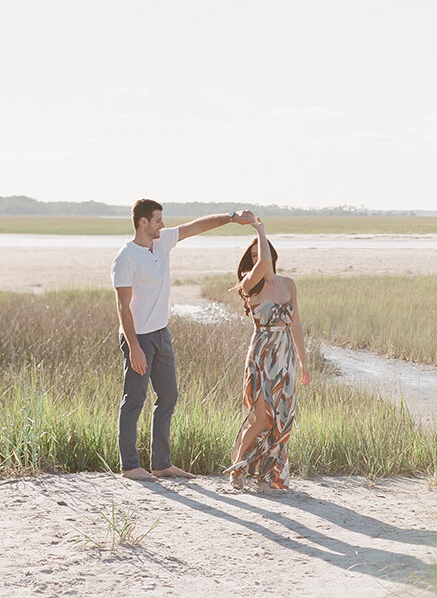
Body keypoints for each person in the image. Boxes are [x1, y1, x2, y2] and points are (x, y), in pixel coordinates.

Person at [112, 199, 255, 482]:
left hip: (161, 334)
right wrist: (135, 347)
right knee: (135, 399)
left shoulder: (162, 241)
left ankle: (161, 463)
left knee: (168, 396)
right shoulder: (125, 257)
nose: (162, 225)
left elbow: (195, 226)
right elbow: (122, 307)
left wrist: (231, 217)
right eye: (157, 220)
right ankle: (130, 466)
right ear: (143, 222)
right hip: (138, 337)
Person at [225, 211, 309, 491]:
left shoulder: (288, 285)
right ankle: (236, 471)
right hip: (261, 358)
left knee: (281, 419)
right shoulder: (250, 285)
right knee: (259, 418)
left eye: (258, 253)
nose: (255, 260)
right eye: (250, 257)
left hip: (284, 357)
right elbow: (261, 264)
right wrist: (259, 230)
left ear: (272, 252)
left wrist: (303, 362)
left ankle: (266, 477)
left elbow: (295, 324)